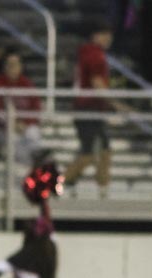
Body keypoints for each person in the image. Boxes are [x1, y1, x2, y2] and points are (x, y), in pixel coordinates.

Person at [63, 23, 115, 198]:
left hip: (89, 108)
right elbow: (97, 83)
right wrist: (118, 105)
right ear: (95, 35)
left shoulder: (87, 52)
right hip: (88, 108)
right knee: (89, 154)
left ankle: (103, 188)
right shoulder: (95, 54)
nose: (109, 38)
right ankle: (57, 185)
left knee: (104, 150)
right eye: (105, 33)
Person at [0, 51, 43, 164]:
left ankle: (35, 165)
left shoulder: (27, 84)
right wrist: (12, 122)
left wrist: (25, 123)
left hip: (23, 125)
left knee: (34, 134)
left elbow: (36, 109)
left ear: (21, 67)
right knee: (16, 141)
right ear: (4, 67)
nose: (13, 68)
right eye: (10, 64)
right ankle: (31, 168)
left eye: (16, 64)